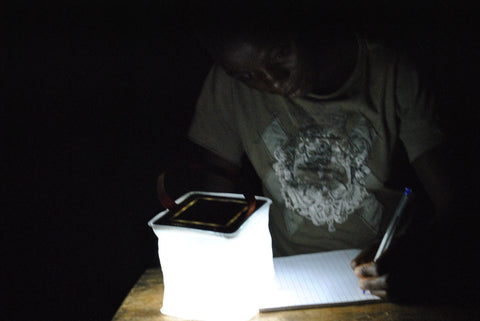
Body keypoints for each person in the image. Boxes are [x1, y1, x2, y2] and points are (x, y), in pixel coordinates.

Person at [174, 1, 460, 301]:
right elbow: (216, 202)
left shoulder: (390, 71)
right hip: (284, 280)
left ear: (305, 23)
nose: (272, 80)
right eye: (247, 76)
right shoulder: (228, 84)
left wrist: (418, 253)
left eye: (281, 53)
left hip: (381, 278)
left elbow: (455, 206)